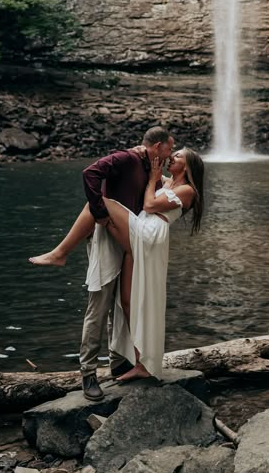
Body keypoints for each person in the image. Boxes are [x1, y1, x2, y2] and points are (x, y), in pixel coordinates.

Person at [29, 126, 175, 401]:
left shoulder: (150, 167)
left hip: (133, 242)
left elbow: (157, 196)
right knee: (99, 305)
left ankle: (118, 361)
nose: (170, 153)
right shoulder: (126, 158)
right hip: (110, 239)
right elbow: (90, 174)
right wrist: (100, 214)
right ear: (157, 146)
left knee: (122, 303)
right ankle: (88, 374)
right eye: (169, 148)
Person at [104, 147, 204, 382]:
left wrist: (152, 181)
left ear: (188, 166)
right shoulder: (168, 182)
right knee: (127, 300)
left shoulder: (187, 190)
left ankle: (63, 250)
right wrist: (138, 151)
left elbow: (149, 205)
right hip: (141, 230)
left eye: (178, 156)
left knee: (100, 204)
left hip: (150, 235)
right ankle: (139, 361)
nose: (173, 157)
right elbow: (149, 164)